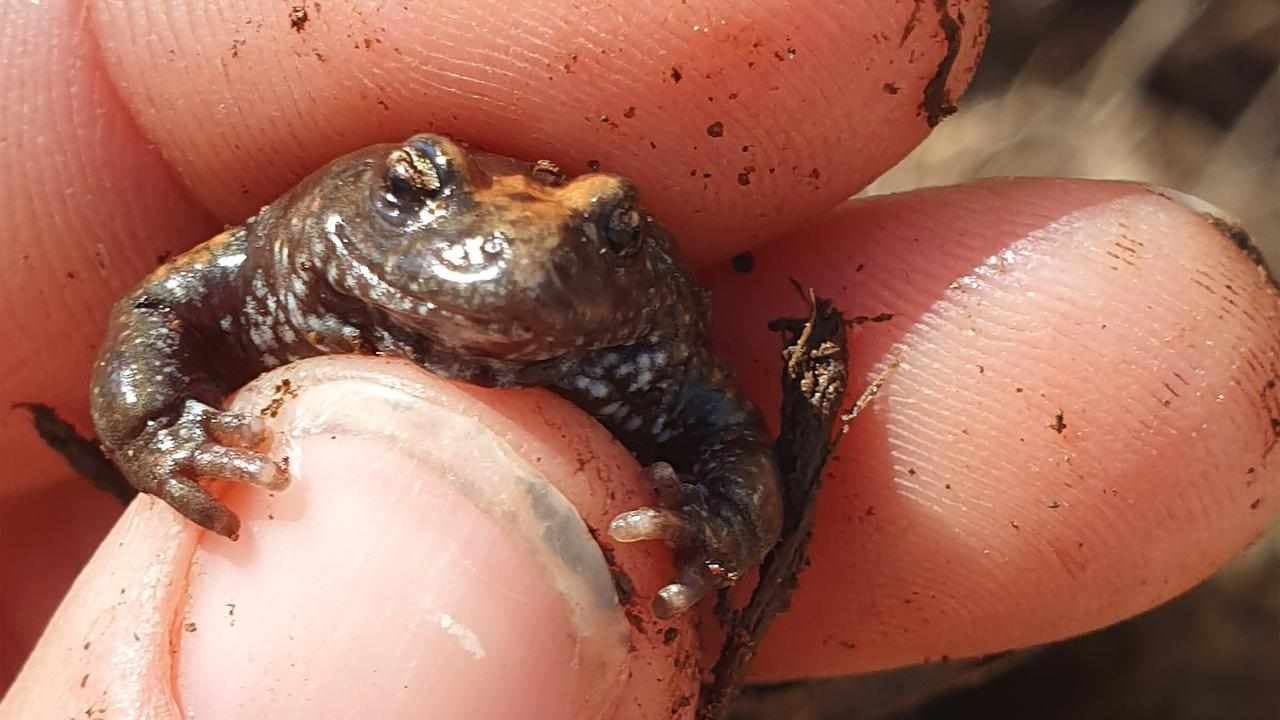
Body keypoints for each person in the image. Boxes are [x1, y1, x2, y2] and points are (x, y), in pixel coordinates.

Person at [2, 1, 1276, 717]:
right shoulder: (292, 251)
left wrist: (715, 528)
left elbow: (730, 450)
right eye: (412, 194)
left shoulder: (640, 343)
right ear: (365, 193)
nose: (493, 265)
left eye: (600, 234)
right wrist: (154, 432)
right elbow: (154, 320)